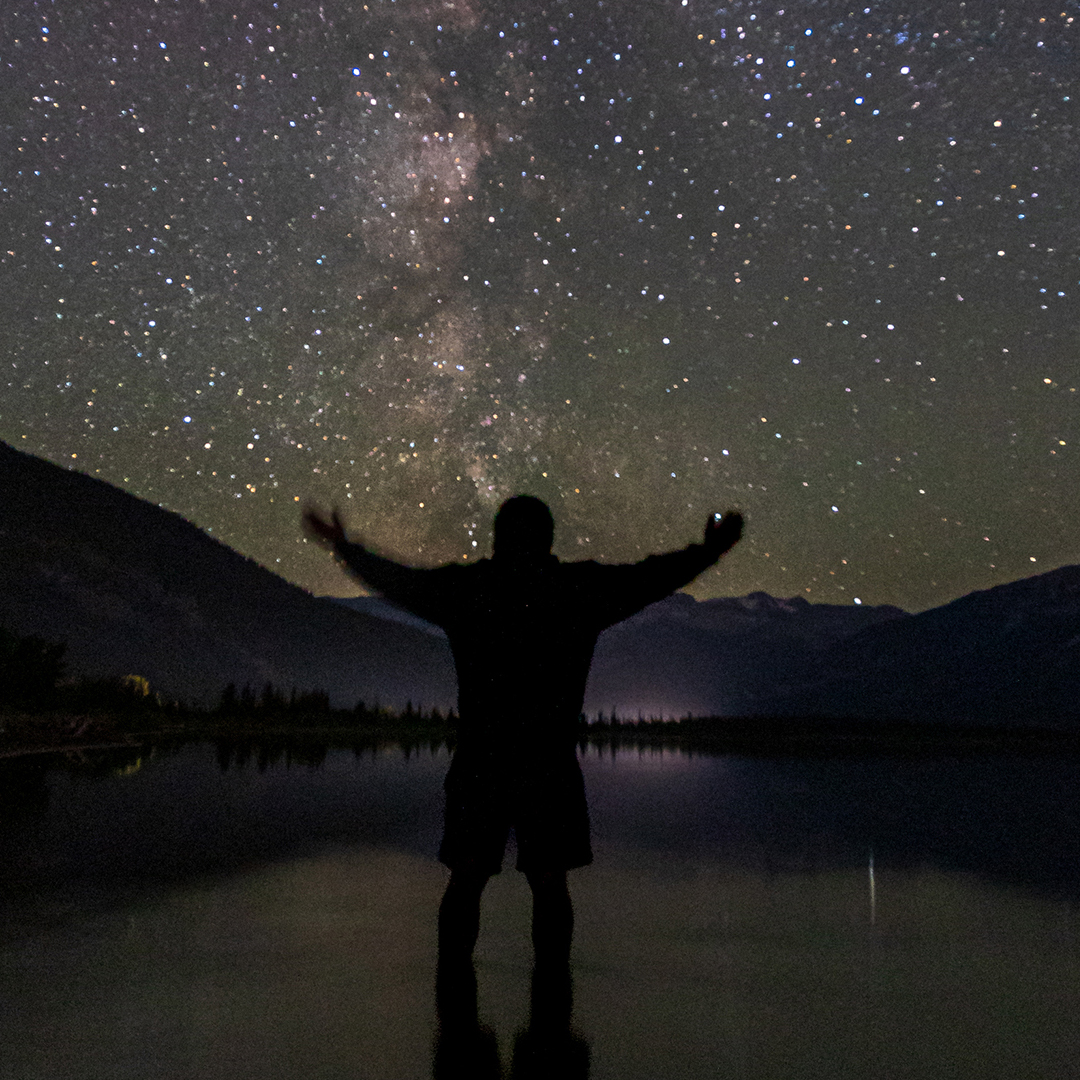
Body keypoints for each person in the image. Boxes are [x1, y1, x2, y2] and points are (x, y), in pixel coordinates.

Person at [303, 495, 743, 966]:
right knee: (550, 881)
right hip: (548, 764)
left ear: (497, 537)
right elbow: (650, 578)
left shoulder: (470, 589)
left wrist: (344, 549)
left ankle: (455, 998)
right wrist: (708, 551)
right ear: (549, 538)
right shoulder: (576, 590)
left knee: (467, 877)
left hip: (481, 761)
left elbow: (400, 583)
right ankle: (551, 1003)